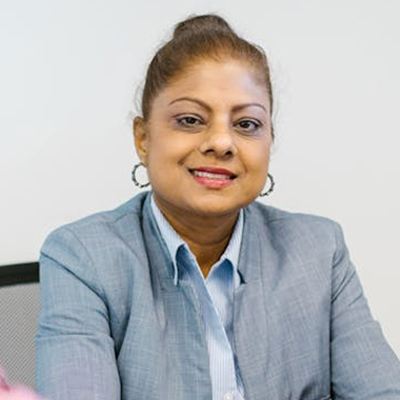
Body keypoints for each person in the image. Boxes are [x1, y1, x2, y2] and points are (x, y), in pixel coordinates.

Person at [36, 14, 400, 400]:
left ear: (269, 141)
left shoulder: (319, 251)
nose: (222, 143)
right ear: (143, 138)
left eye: (247, 125)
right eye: (190, 120)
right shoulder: (83, 258)